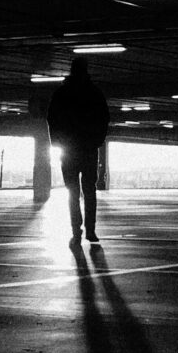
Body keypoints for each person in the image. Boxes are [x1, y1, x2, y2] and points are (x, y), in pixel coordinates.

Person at [47, 57, 110, 243]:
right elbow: (104, 119)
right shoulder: (94, 93)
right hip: (88, 149)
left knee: (72, 192)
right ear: (86, 70)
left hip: (69, 151)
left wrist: (57, 144)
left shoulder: (61, 93)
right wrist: (97, 141)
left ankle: (77, 230)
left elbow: (52, 120)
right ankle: (90, 230)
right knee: (89, 191)